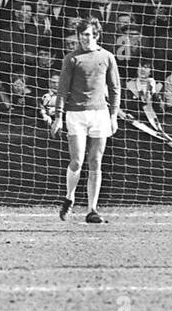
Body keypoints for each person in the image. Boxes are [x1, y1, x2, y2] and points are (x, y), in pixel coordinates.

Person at [51, 17, 121, 224]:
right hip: (76, 114)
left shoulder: (107, 57)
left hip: (99, 113)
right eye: (82, 35)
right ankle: (69, 197)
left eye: (88, 34)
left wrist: (113, 115)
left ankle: (92, 209)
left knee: (96, 161)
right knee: (77, 160)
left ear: (96, 35)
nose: (84, 38)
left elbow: (115, 88)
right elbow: (62, 89)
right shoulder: (71, 59)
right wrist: (58, 117)